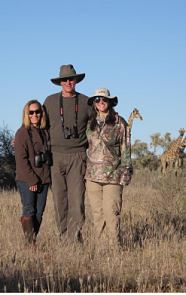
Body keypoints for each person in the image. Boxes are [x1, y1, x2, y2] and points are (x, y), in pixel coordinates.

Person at [43, 64, 91, 243]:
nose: (68, 82)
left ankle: (74, 237)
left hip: (78, 155)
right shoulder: (50, 101)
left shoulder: (86, 101)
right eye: (65, 80)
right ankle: (64, 238)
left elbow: (98, 125)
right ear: (60, 82)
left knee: (77, 200)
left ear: (76, 80)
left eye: (71, 79)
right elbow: (39, 125)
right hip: (55, 156)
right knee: (59, 200)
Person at [85, 88, 133, 247]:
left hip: (113, 175)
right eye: (97, 99)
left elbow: (126, 148)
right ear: (94, 103)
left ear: (110, 101)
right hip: (92, 176)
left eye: (104, 99)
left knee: (111, 213)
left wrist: (126, 171)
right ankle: (101, 248)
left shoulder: (120, 122)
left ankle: (114, 248)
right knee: (97, 214)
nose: (100, 102)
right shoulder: (89, 123)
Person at [14, 100, 51, 248]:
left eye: (37, 112)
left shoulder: (46, 132)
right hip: (27, 179)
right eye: (31, 112)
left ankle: (32, 240)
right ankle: (30, 244)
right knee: (29, 209)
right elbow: (21, 160)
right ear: (26, 115)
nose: (35, 115)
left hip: (44, 178)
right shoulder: (22, 132)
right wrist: (31, 180)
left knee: (39, 213)